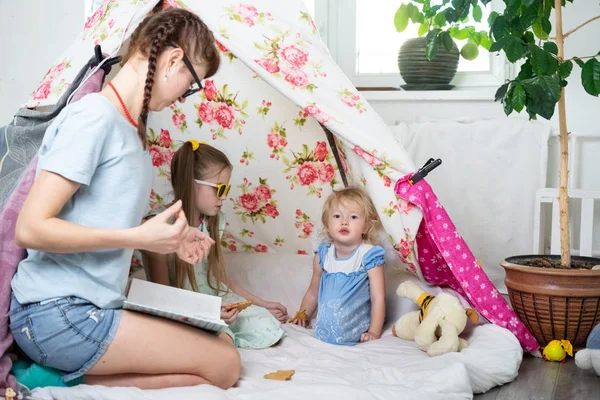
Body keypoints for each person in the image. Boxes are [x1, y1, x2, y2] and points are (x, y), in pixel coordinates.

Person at [9, 8, 241, 391]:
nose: (185, 97)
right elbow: (30, 228)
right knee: (225, 365)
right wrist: (137, 238)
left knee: (225, 344)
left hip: (88, 309)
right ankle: (60, 374)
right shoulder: (94, 118)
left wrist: (171, 239)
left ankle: (68, 376)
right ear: (173, 60)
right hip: (54, 313)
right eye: (192, 83)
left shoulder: (131, 133)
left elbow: (102, 219)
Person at [144, 140, 287, 349]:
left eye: (226, 189)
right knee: (216, 336)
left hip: (215, 300)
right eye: (219, 189)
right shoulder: (160, 224)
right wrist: (206, 310)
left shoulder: (212, 222)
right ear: (191, 183)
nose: (224, 197)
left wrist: (261, 304)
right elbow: (161, 296)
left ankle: (221, 329)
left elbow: (217, 277)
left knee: (266, 322)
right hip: (181, 307)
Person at [290, 187, 386, 345]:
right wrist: (302, 315)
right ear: (327, 225)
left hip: (355, 329)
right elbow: (313, 292)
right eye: (336, 216)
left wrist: (374, 332)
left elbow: (378, 298)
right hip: (324, 331)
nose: (344, 222)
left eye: (353, 217)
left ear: (366, 227)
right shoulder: (323, 255)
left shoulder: (368, 255)